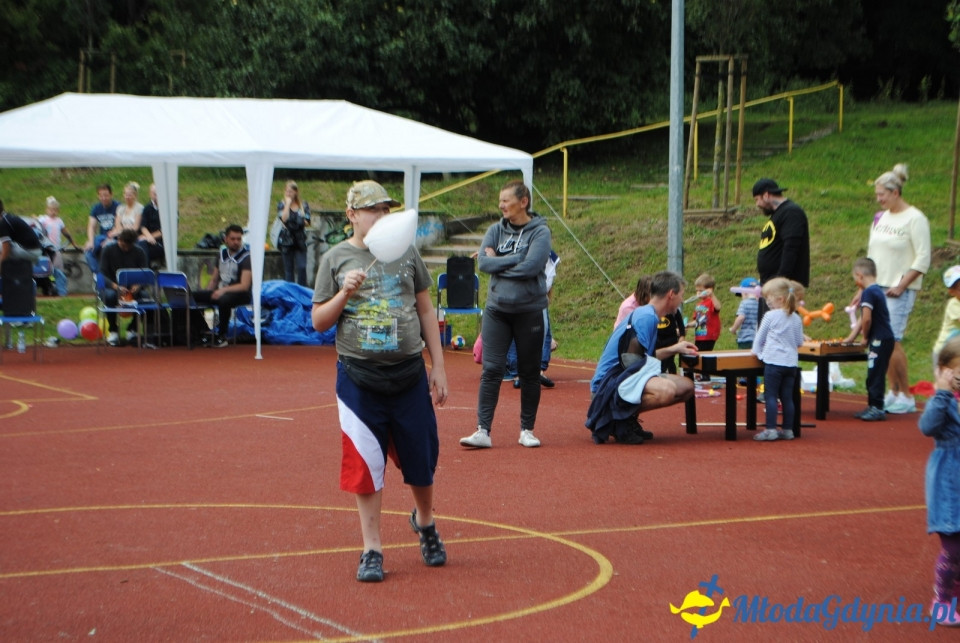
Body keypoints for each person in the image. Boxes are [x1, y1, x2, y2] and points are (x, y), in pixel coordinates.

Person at [311, 180, 448, 583]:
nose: (382, 216)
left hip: (408, 374)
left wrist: (437, 365)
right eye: (373, 209)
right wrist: (343, 295)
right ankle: (372, 548)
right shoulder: (335, 258)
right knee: (365, 464)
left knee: (421, 457)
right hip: (358, 378)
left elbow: (425, 309)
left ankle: (425, 523)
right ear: (352, 214)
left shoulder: (405, 253)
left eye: (386, 209)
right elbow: (319, 321)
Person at [460, 179, 552, 449]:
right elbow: (484, 265)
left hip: (530, 311)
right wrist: (513, 258)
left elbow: (531, 267)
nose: (501, 205)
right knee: (492, 369)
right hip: (497, 311)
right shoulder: (494, 230)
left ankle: (527, 430)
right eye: (499, 200)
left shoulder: (541, 232)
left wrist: (496, 261)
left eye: (506, 200)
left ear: (523, 202)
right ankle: (482, 431)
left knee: (529, 372)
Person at [586, 271, 698, 444]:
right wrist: (655, 379)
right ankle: (614, 415)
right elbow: (631, 363)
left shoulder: (648, 314)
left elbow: (644, 357)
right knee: (667, 390)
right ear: (671, 294)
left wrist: (675, 348)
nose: (682, 300)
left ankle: (624, 415)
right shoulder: (646, 317)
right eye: (681, 295)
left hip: (623, 376)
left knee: (687, 387)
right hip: (607, 384)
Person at [867, 163, 931, 414]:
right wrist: (865, 286)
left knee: (892, 340)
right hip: (878, 286)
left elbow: (923, 257)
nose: (879, 199)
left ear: (896, 193)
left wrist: (902, 285)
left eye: (882, 194)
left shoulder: (915, 218)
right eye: (877, 194)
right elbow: (872, 253)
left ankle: (906, 394)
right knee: (883, 342)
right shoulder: (879, 218)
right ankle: (893, 391)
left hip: (899, 288)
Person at [918, 335, 960, 627]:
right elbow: (927, 427)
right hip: (950, 484)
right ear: (945, 370)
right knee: (954, 547)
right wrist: (942, 393)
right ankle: (942, 599)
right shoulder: (943, 402)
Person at [750, 277, 804, 441]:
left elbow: (759, 338)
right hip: (790, 362)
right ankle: (788, 429)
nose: (767, 302)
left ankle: (771, 429)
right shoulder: (795, 317)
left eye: (769, 298)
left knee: (771, 396)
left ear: (779, 299)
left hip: (774, 361)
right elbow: (799, 342)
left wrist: (757, 353)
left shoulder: (770, 316)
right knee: (787, 397)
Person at [842, 258, 895, 422]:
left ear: (859, 276)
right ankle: (873, 405)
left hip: (880, 339)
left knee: (875, 373)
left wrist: (864, 337)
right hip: (883, 338)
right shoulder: (876, 290)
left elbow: (866, 319)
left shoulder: (868, 292)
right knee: (874, 372)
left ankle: (877, 407)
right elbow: (862, 319)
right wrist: (851, 338)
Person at [753, 178, 810, 324]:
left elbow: (791, 248)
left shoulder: (791, 213)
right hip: (770, 286)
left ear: (766, 195)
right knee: (766, 330)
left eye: (757, 199)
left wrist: (780, 281)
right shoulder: (778, 215)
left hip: (780, 290)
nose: (757, 204)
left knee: (776, 332)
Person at [505, 249, 560, 388]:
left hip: (539, 297)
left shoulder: (551, 257)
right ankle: (518, 372)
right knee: (517, 332)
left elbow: (549, 279)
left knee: (544, 331)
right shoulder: (520, 251)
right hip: (519, 296)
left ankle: (538, 370)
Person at [192, 224, 252, 347]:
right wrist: (208, 293)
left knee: (224, 300)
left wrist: (222, 290)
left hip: (240, 293)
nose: (236, 242)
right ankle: (203, 330)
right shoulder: (221, 254)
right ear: (226, 239)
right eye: (233, 239)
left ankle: (222, 335)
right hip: (222, 290)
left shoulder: (247, 257)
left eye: (239, 239)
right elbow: (214, 279)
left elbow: (244, 285)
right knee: (191, 296)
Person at [98, 228, 148, 346]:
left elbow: (145, 273)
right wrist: (116, 287)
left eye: (128, 247)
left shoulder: (139, 252)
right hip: (112, 286)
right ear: (119, 240)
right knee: (110, 297)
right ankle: (113, 330)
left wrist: (138, 285)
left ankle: (133, 329)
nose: (125, 249)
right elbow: (102, 274)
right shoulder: (108, 250)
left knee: (145, 297)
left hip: (132, 288)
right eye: (123, 245)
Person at [37, 196, 80, 296]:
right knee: (47, 269)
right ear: (46, 210)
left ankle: (60, 290)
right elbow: (36, 225)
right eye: (51, 210)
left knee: (58, 269)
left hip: (56, 249)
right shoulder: (43, 219)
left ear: (58, 211)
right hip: (46, 250)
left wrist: (74, 243)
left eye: (55, 210)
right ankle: (47, 287)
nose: (53, 212)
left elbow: (66, 233)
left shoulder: (59, 221)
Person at [276, 180, 311, 286]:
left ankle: (302, 290)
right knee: (288, 270)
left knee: (302, 267)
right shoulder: (281, 204)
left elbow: (307, 221)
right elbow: (284, 219)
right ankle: (289, 293)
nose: (288, 194)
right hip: (287, 240)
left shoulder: (303, 205)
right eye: (287, 191)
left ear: (296, 192)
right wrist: (287, 204)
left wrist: (298, 220)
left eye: (290, 192)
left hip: (300, 240)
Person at [83, 183, 120, 274]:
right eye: (101, 195)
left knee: (107, 247)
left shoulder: (118, 206)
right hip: (101, 237)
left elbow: (119, 227)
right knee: (88, 251)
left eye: (106, 195)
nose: (103, 198)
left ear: (111, 195)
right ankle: (98, 275)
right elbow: (91, 226)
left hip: (115, 237)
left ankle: (108, 276)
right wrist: (91, 241)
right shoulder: (96, 208)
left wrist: (109, 239)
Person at [933, 266, 960, 370]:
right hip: (945, 350)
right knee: (945, 380)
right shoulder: (953, 304)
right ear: (951, 292)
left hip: (956, 349)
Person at [0, 202, 43, 268]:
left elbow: (6, 250)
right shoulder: (8, 217)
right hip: (35, 250)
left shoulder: (3, 223)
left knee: (2, 247)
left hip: (31, 252)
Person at [692, 273, 722, 352]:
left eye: (701, 291)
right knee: (698, 354)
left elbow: (718, 307)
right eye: (697, 291)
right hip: (700, 334)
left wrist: (712, 295)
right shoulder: (699, 305)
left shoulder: (711, 302)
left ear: (709, 290)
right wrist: (687, 325)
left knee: (704, 355)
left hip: (708, 336)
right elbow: (697, 321)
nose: (698, 293)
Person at [137, 183, 164, 265]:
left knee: (141, 247)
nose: (156, 196)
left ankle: (146, 270)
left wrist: (150, 237)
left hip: (161, 243)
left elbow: (165, 231)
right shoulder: (147, 208)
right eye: (154, 194)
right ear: (150, 194)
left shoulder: (169, 209)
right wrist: (148, 237)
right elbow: (143, 226)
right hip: (146, 240)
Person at [729, 277, 759, 349]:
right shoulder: (761, 304)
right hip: (758, 338)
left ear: (744, 293)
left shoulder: (744, 303)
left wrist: (734, 329)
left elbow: (741, 317)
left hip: (745, 338)